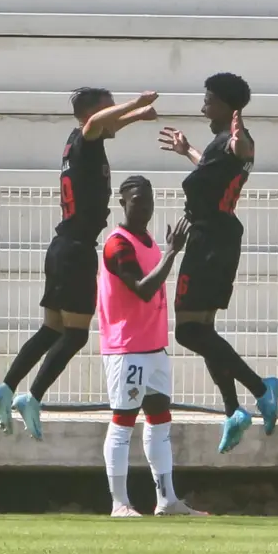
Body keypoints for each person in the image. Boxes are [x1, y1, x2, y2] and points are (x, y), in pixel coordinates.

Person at [0, 88, 159, 440]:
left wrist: (135, 118)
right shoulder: (87, 134)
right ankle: (32, 396)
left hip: (61, 247)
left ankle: (5, 387)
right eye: (109, 110)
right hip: (76, 250)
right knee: (76, 334)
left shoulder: (78, 142)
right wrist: (137, 104)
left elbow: (103, 124)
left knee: (52, 329)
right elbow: (97, 122)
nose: (113, 117)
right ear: (91, 115)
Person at [157, 73, 278, 454]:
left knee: (187, 332)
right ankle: (233, 411)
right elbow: (217, 167)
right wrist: (188, 150)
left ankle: (262, 388)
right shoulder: (217, 146)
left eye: (208, 99)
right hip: (215, 238)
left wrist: (240, 135)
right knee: (204, 329)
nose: (203, 106)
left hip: (211, 242)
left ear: (228, 107)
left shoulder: (235, 141)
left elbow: (242, 150)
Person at [99, 176, 206, 517]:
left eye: (148, 201)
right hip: (127, 349)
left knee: (159, 421)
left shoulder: (149, 243)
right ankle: (119, 503)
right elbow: (143, 289)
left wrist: (169, 252)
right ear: (123, 203)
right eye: (136, 201)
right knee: (123, 422)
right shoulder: (118, 245)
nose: (143, 208)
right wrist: (173, 252)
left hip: (155, 348)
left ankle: (167, 500)